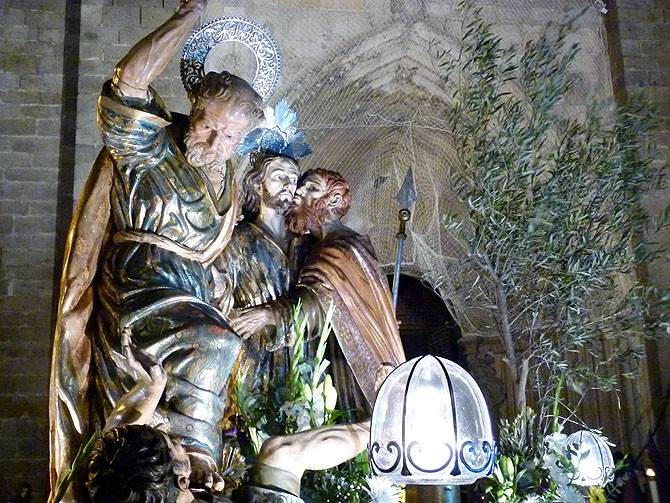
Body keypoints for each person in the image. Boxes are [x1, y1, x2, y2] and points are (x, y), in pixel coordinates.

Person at [49, 1, 264, 499]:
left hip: (189, 290)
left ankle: (186, 464)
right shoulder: (150, 148)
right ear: (194, 110)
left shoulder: (228, 182)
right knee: (215, 341)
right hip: (137, 284)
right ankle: (193, 454)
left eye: (229, 135)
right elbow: (127, 82)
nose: (214, 139)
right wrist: (187, 15)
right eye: (207, 124)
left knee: (223, 346)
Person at [85, 332, 369, 503]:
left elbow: (118, 443)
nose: (176, 438)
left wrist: (152, 387)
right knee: (282, 454)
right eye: (173, 443)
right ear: (182, 481)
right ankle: (380, 429)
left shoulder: (118, 489)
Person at [231, 169, 406, 417]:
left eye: (311, 188)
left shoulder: (339, 248)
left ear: (334, 200)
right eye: (300, 187)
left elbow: (324, 303)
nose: (298, 192)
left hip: (352, 361)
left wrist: (271, 314)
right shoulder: (320, 246)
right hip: (331, 358)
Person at [211, 152, 307, 421]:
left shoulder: (304, 243)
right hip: (253, 353)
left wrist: (271, 314)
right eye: (279, 177)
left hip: (299, 352)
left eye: (293, 179)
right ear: (258, 184)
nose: (288, 184)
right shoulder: (237, 239)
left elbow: (318, 298)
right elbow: (217, 299)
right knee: (250, 421)